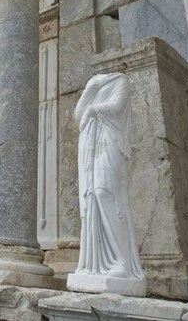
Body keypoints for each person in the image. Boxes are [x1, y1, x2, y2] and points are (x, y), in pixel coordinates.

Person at [73, 73, 144, 280]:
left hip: (110, 138)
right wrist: (90, 89)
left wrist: (93, 109)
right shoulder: (93, 82)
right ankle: (98, 264)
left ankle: (122, 261)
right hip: (90, 141)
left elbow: (117, 106)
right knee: (92, 198)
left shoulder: (120, 80)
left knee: (105, 191)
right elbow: (78, 114)